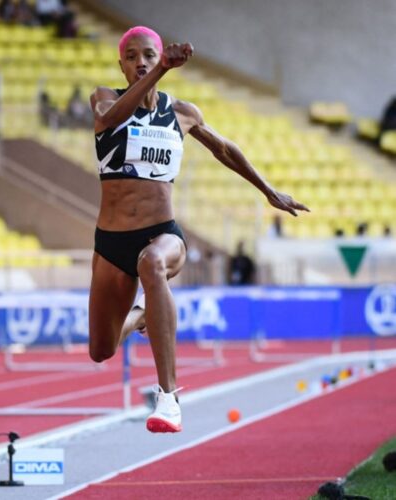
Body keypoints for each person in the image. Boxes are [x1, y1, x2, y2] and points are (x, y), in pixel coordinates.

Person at [88, 26, 308, 433]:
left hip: (162, 234)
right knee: (100, 350)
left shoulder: (182, 113)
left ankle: (168, 398)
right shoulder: (106, 100)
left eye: (150, 55)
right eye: (132, 56)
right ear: (121, 65)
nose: (141, 62)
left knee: (153, 264)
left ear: (159, 58)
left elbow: (224, 148)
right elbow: (108, 121)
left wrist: (268, 190)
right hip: (111, 242)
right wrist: (160, 73)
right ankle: (143, 315)